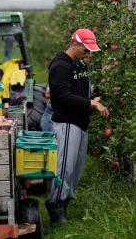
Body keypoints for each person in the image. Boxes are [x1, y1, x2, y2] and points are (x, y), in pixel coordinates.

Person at [45, 28, 109, 226]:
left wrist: (94, 97)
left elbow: (80, 92)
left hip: (81, 123)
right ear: (75, 44)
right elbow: (62, 97)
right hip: (66, 123)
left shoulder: (79, 65)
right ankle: (55, 206)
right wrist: (91, 104)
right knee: (64, 168)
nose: (88, 54)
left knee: (76, 169)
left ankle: (65, 204)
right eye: (86, 50)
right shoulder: (60, 66)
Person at [40, 54, 92, 132]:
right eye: (86, 57)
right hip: (54, 117)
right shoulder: (66, 68)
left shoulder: (87, 73)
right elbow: (48, 93)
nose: (89, 59)